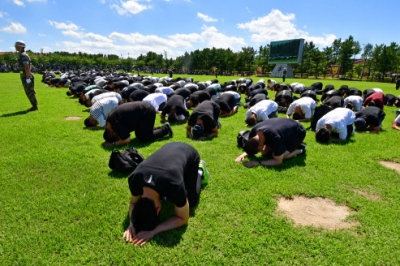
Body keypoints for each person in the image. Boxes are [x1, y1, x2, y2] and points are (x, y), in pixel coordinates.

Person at [123, 142, 210, 246]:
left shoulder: (174, 185)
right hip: (169, 147)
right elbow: (133, 202)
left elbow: (183, 218)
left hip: (189, 152)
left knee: (191, 201)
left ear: (158, 209)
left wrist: (154, 231)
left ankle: (199, 170)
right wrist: (131, 224)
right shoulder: (135, 179)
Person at [235, 118, 306, 167]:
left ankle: (299, 150)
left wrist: (257, 163)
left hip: (297, 132)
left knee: (279, 156)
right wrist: (242, 155)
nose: (259, 152)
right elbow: (252, 146)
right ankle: (282, 148)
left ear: (260, 146)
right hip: (284, 126)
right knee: (265, 152)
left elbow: (278, 162)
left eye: (258, 151)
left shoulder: (276, 137)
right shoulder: (253, 132)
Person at [103, 102, 173, 147]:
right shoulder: (110, 121)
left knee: (144, 137)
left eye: (116, 136)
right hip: (142, 109)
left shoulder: (115, 124)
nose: (118, 136)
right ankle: (162, 127)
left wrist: (112, 144)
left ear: (112, 133)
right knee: (140, 134)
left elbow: (126, 140)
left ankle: (165, 129)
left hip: (146, 111)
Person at [15, 41, 38, 111]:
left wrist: (28, 77)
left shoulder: (23, 55)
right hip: (24, 75)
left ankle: (34, 106)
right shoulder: (21, 54)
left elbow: (26, 67)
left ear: (21, 46)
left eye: (16, 45)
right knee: (28, 91)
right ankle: (34, 105)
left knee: (29, 91)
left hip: (26, 75)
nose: (15, 46)